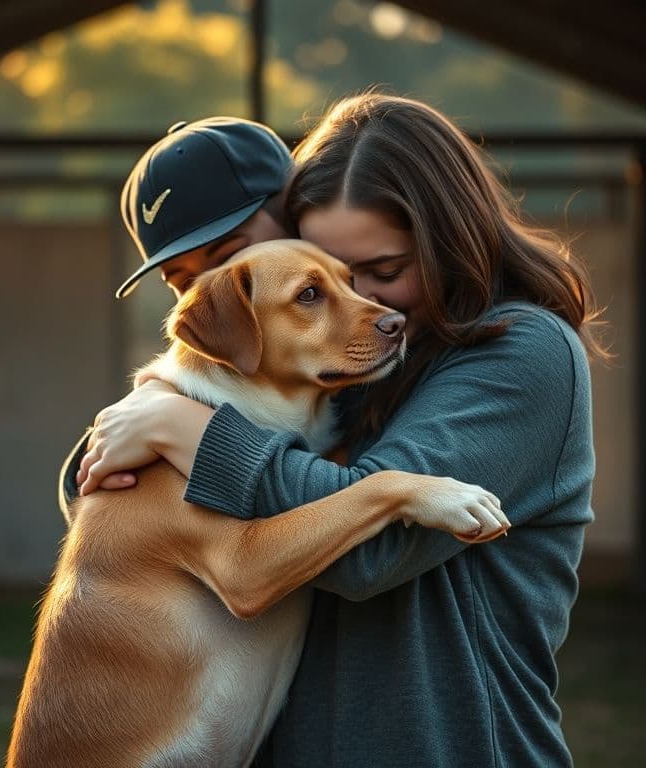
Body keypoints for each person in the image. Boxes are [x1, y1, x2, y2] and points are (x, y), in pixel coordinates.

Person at [77, 93, 607, 767]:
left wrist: (183, 430)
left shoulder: (524, 355)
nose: (362, 306)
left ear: (447, 238)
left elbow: (367, 555)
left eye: (380, 273)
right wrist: (143, 432)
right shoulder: (329, 371)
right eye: (323, 282)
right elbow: (101, 495)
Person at [59, 115, 292, 520]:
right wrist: (130, 424)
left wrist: (173, 426)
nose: (208, 295)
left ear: (294, 213)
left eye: (226, 259)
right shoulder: (212, 358)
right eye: (183, 282)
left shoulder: (384, 337)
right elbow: (76, 492)